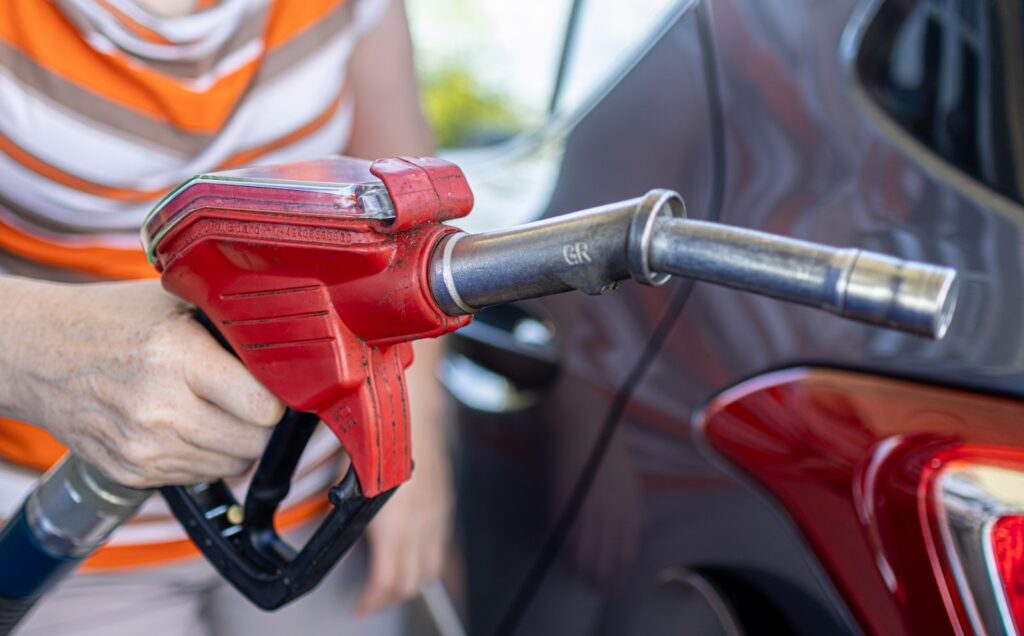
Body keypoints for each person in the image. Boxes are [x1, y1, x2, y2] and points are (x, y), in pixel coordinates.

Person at [0, 0, 453, 633]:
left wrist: (418, 442)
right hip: (63, 532)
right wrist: (36, 347)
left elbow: (410, 214)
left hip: (318, 502)